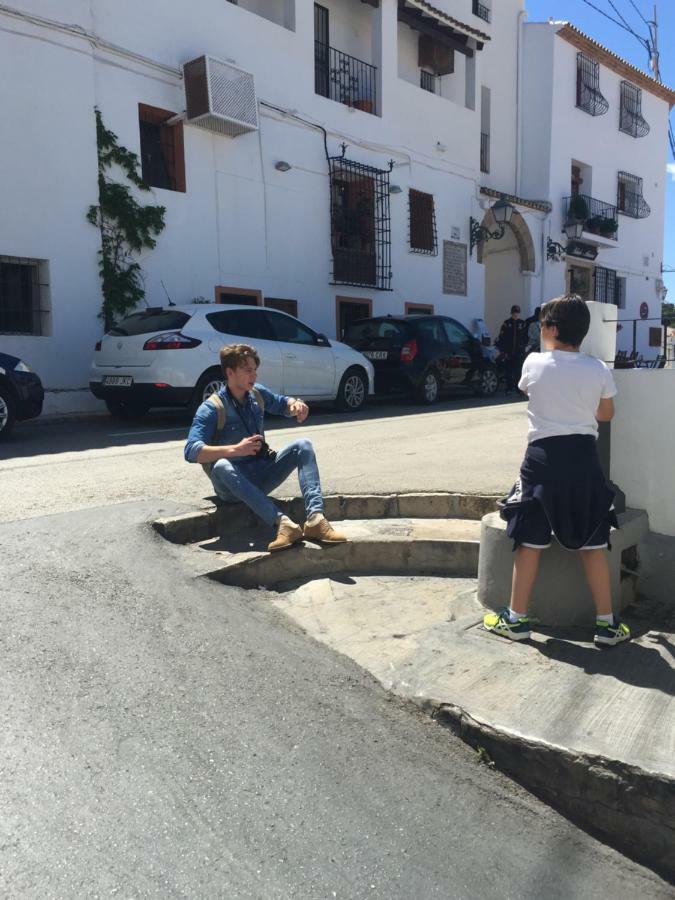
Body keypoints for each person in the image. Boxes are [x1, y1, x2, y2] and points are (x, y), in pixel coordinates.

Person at [483, 294, 630, 647]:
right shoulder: (598, 369)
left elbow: (525, 390)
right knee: (594, 544)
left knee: (530, 540)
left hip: (541, 460)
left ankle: (516, 620)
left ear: (550, 329)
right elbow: (606, 415)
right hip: (583, 459)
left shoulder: (533, 363)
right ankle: (607, 626)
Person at [184, 343, 347, 552]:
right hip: (232, 487)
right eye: (248, 370)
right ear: (230, 372)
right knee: (222, 466)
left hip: (261, 474)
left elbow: (281, 403)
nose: (254, 375)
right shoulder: (212, 408)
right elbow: (191, 451)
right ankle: (283, 524)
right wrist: (235, 449)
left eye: (255, 370)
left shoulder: (256, 395)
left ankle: (316, 519)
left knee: (303, 445)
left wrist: (295, 404)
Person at [496, 305, 528, 394]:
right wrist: (503, 351)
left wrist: (523, 347)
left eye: (517, 313)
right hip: (508, 352)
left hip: (519, 351)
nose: (516, 314)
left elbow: (525, 337)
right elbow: (501, 337)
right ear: (511, 313)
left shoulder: (522, 323)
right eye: (514, 313)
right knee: (508, 371)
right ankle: (509, 388)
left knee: (518, 371)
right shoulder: (506, 323)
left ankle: (519, 389)